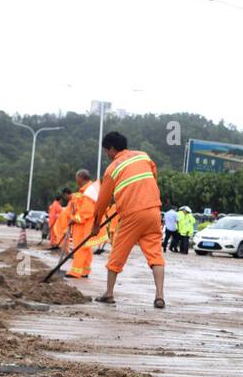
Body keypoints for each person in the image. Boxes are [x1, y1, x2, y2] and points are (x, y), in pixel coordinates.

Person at [92, 131, 165, 308]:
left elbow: (102, 201)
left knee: (117, 253)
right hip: (153, 210)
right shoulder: (143, 156)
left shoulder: (112, 169)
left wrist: (96, 225)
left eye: (106, 151)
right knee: (155, 254)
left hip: (132, 214)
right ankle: (159, 296)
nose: (107, 155)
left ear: (111, 148)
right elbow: (153, 176)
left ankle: (109, 293)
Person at [51, 170, 107, 278]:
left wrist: (74, 219)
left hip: (84, 225)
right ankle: (85, 271)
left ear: (80, 178)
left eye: (76, 178)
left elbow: (87, 212)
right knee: (86, 248)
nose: (76, 181)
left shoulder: (88, 192)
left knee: (79, 248)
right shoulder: (88, 190)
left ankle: (75, 271)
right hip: (87, 225)